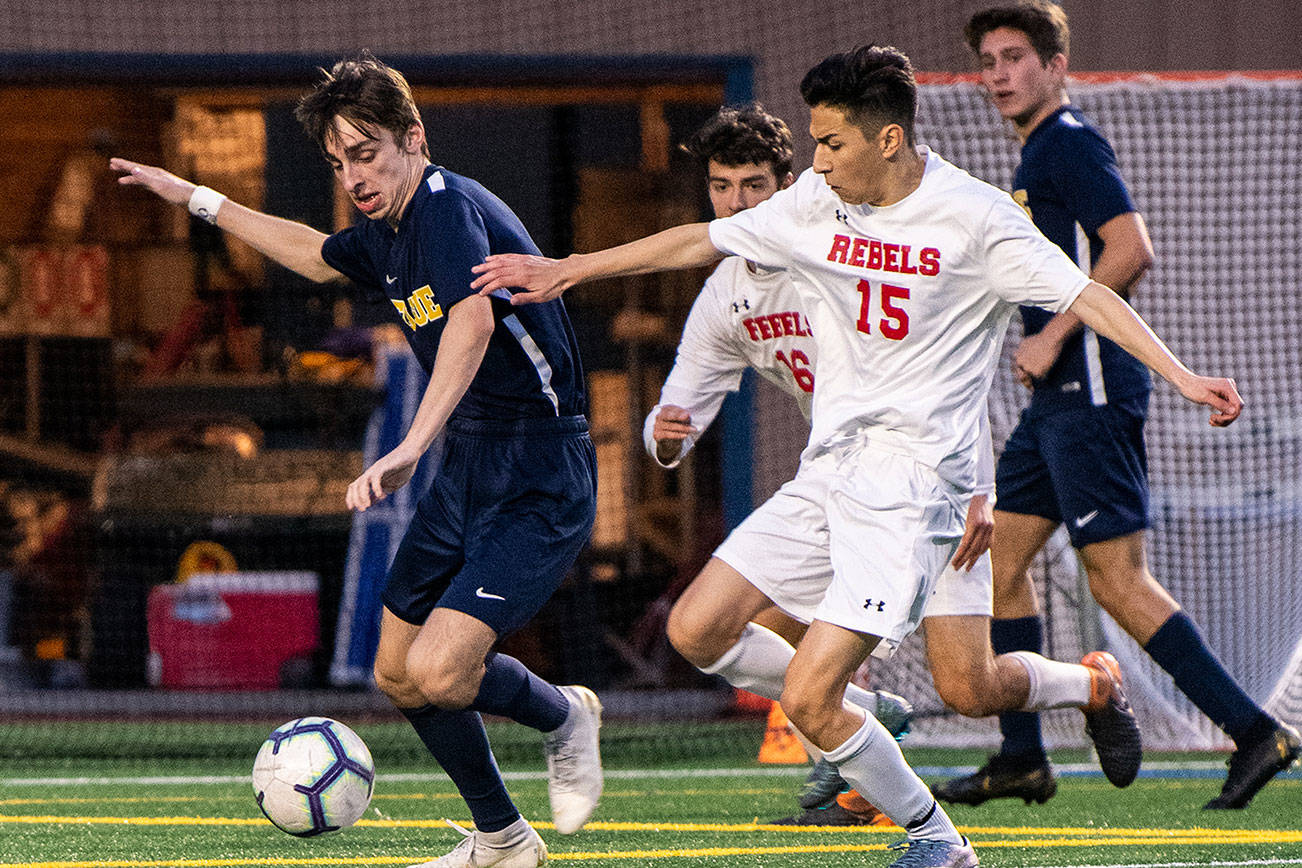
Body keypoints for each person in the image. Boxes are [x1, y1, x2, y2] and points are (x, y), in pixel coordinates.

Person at [473, 43, 1244, 867]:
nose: (817, 162)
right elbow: (699, 239)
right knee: (718, 634)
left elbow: (1088, 293)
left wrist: (1184, 375)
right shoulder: (812, 203)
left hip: (919, 488)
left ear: (886, 141)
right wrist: (572, 268)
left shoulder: (978, 219)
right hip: (833, 471)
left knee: (826, 694)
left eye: (831, 144)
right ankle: (1089, 683)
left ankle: (936, 839)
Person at [113, 53, 601, 868]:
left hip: (539, 469)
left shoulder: (444, 209)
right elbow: (312, 252)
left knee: (444, 672)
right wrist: (196, 197)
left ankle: (563, 716)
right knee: (399, 674)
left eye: (366, 153)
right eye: (338, 163)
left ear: (415, 138)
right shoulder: (388, 230)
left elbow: (473, 328)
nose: (353, 176)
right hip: (472, 460)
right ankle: (505, 842)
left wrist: (411, 446)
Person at [932, 0, 1301, 811]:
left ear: (1056, 66)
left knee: (1118, 583)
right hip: (1056, 406)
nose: (998, 73)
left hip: (1093, 391)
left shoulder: (1070, 142)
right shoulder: (1036, 155)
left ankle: (1254, 733)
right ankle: (1022, 758)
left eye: (1015, 57)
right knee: (996, 562)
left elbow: (1131, 246)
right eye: (988, 60)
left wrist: (1054, 336)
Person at [647, 104, 919, 828]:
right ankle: (870, 718)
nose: (737, 204)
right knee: (697, 630)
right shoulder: (725, 294)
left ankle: (1081, 693)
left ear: (791, 185)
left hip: (918, 469)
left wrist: (976, 480)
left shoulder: (846, 248)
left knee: (971, 677)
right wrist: (667, 437)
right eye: (721, 187)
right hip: (832, 474)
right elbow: (679, 412)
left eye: (753, 186)